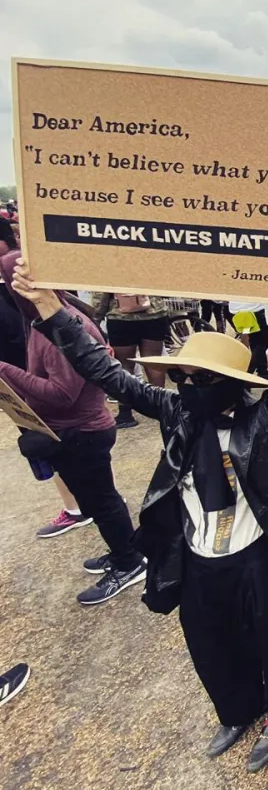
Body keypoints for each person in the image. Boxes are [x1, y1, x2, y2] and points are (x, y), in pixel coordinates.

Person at [13, 256, 268, 772]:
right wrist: (51, 308)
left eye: (201, 378)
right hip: (199, 555)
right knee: (210, 641)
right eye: (182, 376)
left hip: (258, 554)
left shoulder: (266, 414)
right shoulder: (175, 411)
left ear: (229, 382)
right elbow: (106, 372)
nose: (188, 385)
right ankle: (237, 709)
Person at [0, 252, 145, 606]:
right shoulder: (43, 321)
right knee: (96, 500)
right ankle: (123, 550)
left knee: (103, 501)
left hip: (83, 433)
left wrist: (6, 370)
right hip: (69, 432)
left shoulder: (60, 328)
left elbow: (63, 393)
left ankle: (129, 563)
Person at [93, 292, 170, 429]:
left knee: (124, 366)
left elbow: (101, 294)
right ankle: (161, 407)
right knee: (153, 363)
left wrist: (96, 317)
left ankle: (125, 413)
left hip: (121, 317)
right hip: (154, 314)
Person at [229, 301, 268, 381]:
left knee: (255, 342)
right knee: (263, 342)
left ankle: (262, 370)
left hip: (236, 311)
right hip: (254, 310)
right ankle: (247, 372)